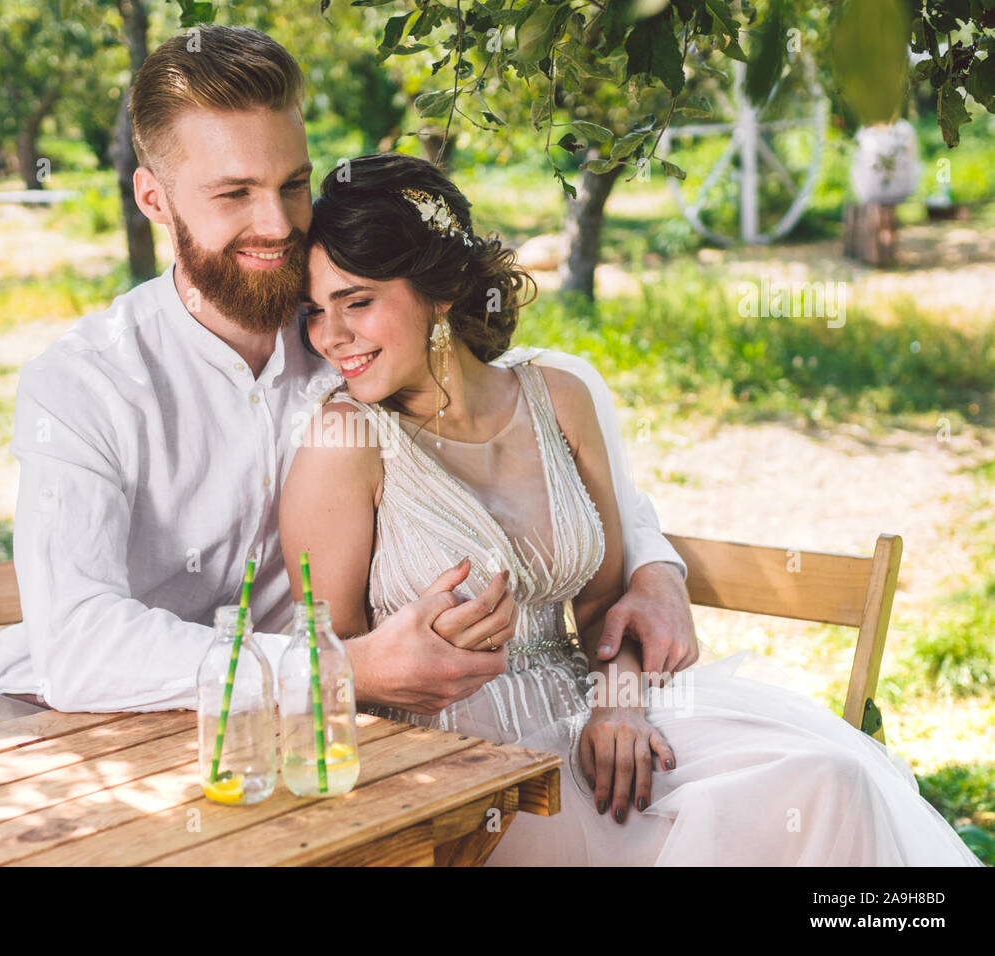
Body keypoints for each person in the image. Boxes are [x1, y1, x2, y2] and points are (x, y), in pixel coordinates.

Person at [0, 24, 695, 734]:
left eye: (294, 183)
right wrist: (337, 668)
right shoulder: (85, 384)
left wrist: (655, 568)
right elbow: (79, 646)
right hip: (73, 716)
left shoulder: (356, 339)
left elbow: (522, 439)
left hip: (289, 731)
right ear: (155, 200)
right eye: (234, 194)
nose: (277, 224)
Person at [281, 150, 982, 866]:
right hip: (462, 771)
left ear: (436, 288)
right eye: (313, 311)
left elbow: (603, 606)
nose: (329, 336)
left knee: (832, 780)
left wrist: (620, 700)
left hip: (593, 717)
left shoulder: (557, 396)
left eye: (356, 301)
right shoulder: (344, 440)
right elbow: (325, 663)